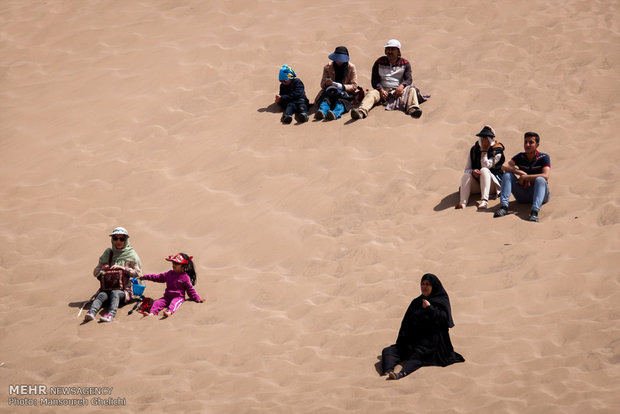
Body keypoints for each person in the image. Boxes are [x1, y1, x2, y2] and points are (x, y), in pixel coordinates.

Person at [381, 273, 465, 380]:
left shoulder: (441, 300)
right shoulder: (416, 302)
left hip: (432, 344)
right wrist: (404, 342)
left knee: (417, 355)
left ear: (433, 286)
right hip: (413, 342)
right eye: (422, 284)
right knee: (388, 351)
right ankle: (387, 371)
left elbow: (444, 320)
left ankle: (401, 374)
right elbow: (405, 324)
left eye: (427, 284)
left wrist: (430, 308)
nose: (424, 287)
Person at [351, 39, 424, 120]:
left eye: (393, 49)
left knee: (412, 89)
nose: (390, 52)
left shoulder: (405, 63)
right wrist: (381, 90)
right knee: (371, 94)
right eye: (388, 49)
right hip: (382, 91)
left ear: (398, 51)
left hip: (397, 91)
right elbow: (374, 81)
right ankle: (361, 112)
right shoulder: (379, 62)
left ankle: (413, 109)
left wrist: (402, 86)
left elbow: (409, 79)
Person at [84, 227, 142, 323]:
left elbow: (138, 274)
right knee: (101, 295)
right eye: (115, 238)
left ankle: (111, 315)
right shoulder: (108, 253)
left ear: (126, 240)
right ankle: (91, 313)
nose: (118, 241)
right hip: (107, 288)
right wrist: (102, 269)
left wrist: (124, 269)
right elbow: (95, 272)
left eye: (121, 239)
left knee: (115, 293)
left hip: (124, 291)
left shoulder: (131, 254)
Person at [493, 132, 550, 222]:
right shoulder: (520, 157)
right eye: (525, 142)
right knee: (507, 175)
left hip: (540, 195)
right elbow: (504, 166)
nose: (527, 145)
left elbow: (545, 176)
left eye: (531, 142)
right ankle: (503, 207)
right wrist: (520, 172)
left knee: (540, 180)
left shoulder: (544, 157)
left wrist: (526, 177)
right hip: (523, 194)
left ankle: (534, 212)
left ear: (537, 145)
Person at [456, 125, 506, 210]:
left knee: (484, 170)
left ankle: (484, 201)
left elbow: (485, 165)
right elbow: (467, 169)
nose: (483, 140)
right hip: (478, 184)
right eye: (482, 137)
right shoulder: (474, 150)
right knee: (466, 176)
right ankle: (463, 202)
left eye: (486, 138)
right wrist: (473, 172)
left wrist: (484, 151)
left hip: (492, 186)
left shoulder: (497, 151)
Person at [140, 253, 204, 318]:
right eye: (173, 263)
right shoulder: (169, 273)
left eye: (177, 263)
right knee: (157, 303)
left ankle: (169, 312)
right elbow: (157, 277)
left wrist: (197, 298)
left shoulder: (185, 277)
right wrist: (145, 277)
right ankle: (152, 313)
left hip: (178, 297)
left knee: (174, 303)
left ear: (183, 266)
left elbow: (191, 290)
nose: (174, 265)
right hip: (167, 297)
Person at [313, 46, 358, 121]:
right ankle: (322, 112)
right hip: (330, 92)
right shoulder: (327, 67)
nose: (339, 62)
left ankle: (334, 114)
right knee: (325, 100)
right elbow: (322, 84)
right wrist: (327, 84)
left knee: (342, 102)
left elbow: (354, 85)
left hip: (345, 93)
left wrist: (342, 86)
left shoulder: (351, 67)